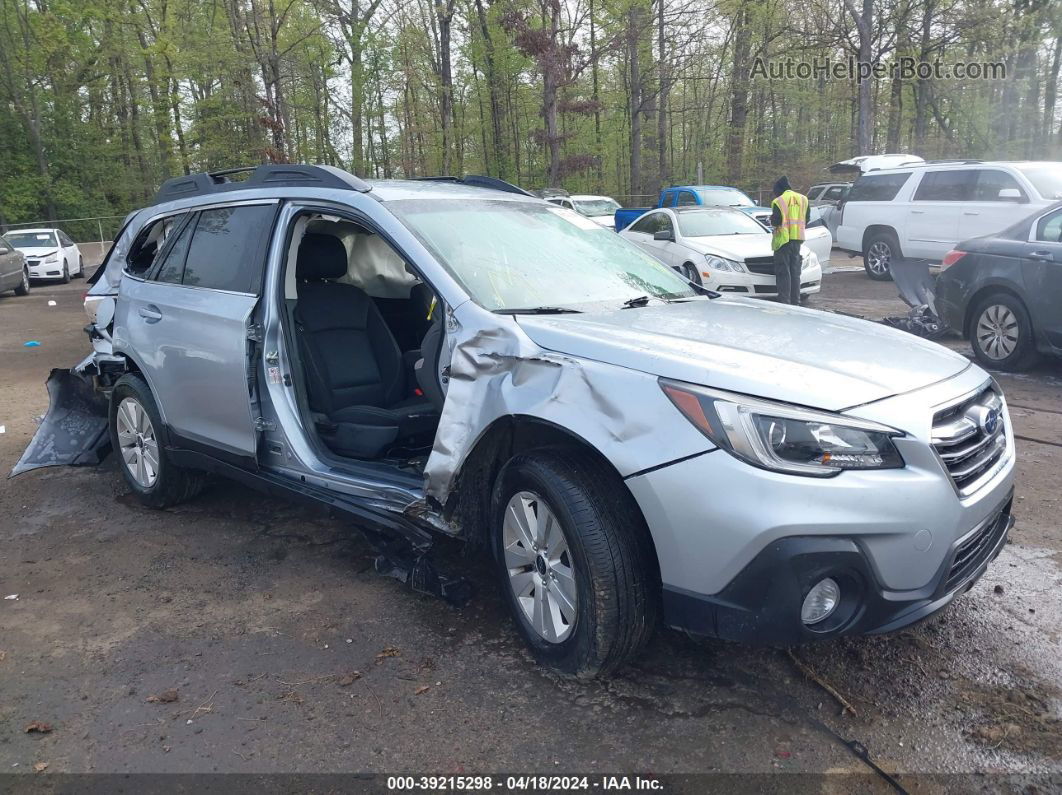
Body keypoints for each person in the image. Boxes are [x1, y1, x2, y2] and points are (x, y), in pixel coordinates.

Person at [769, 176, 810, 305]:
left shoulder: (779, 201)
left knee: (783, 272)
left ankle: (785, 302)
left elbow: (776, 221)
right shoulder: (803, 199)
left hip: (783, 241)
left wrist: (772, 221)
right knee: (795, 272)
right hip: (797, 240)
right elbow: (807, 218)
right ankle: (795, 302)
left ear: (778, 190)